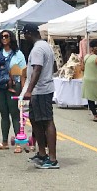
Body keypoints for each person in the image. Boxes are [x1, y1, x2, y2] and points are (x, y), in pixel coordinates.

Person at [20, 30, 59, 169]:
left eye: (24, 34)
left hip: (41, 91)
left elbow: (37, 69)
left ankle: (52, 159)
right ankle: (42, 153)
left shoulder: (37, 49)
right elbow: (54, 66)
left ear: (28, 34)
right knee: (35, 120)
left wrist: (29, 90)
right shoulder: (46, 46)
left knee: (47, 121)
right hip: (41, 89)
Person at [0, 30, 27, 153]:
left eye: (6, 36)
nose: (4, 38)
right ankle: (4, 142)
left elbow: (23, 73)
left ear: (11, 38)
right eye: (2, 36)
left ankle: (19, 143)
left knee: (15, 114)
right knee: (3, 113)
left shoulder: (18, 54)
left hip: (13, 85)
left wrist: (23, 91)